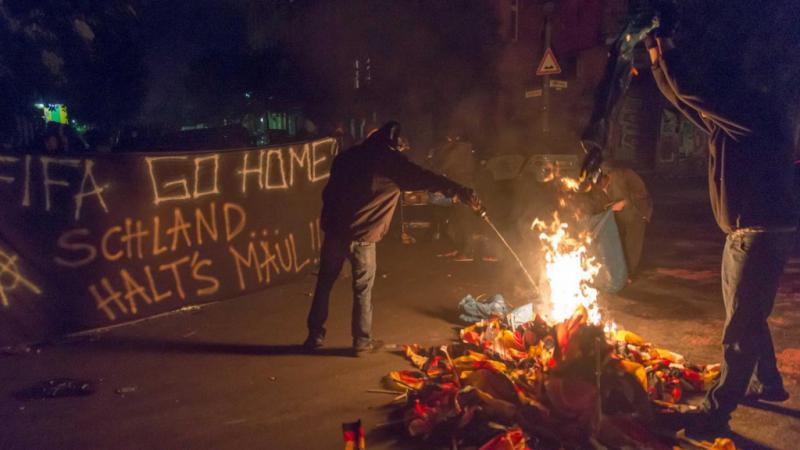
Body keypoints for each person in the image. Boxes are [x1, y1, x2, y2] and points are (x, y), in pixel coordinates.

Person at [647, 27, 797, 435]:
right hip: (746, 234)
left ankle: (717, 412)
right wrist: (659, 65)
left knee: (741, 328)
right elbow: (687, 104)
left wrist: (670, 56)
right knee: (746, 315)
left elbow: (696, 94)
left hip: (759, 234)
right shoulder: (732, 125)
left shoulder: (757, 116)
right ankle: (767, 383)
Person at [303, 121, 481, 353]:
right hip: (362, 234)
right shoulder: (390, 161)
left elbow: (329, 193)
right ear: (394, 144)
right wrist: (459, 190)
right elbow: (425, 178)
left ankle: (314, 337)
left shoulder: (347, 157)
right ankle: (361, 342)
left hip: (335, 231)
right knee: (362, 289)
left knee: (324, 284)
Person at [589, 162, 652, 277]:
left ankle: (629, 274)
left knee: (632, 246)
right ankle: (620, 271)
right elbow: (599, 205)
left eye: (601, 182)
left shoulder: (625, 175)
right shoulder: (599, 188)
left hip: (637, 215)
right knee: (620, 245)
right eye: (597, 184)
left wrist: (625, 203)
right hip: (619, 219)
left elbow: (642, 194)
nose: (600, 186)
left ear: (605, 176)